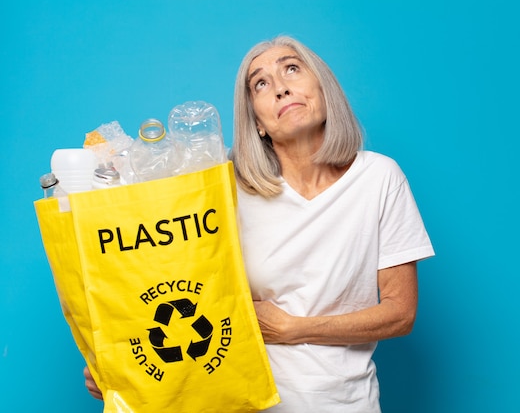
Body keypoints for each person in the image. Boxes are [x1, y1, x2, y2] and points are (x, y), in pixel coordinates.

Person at [84, 35, 434, 412]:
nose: (281, 88)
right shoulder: (225, 186)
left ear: (323, 87)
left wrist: (294, 328)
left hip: (346, 403)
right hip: (241, 402)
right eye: (261, 84)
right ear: (257, 122)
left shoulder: (379, 177)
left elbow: (401, 313)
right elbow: (162, 269)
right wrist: (123, 359)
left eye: (292, 69)